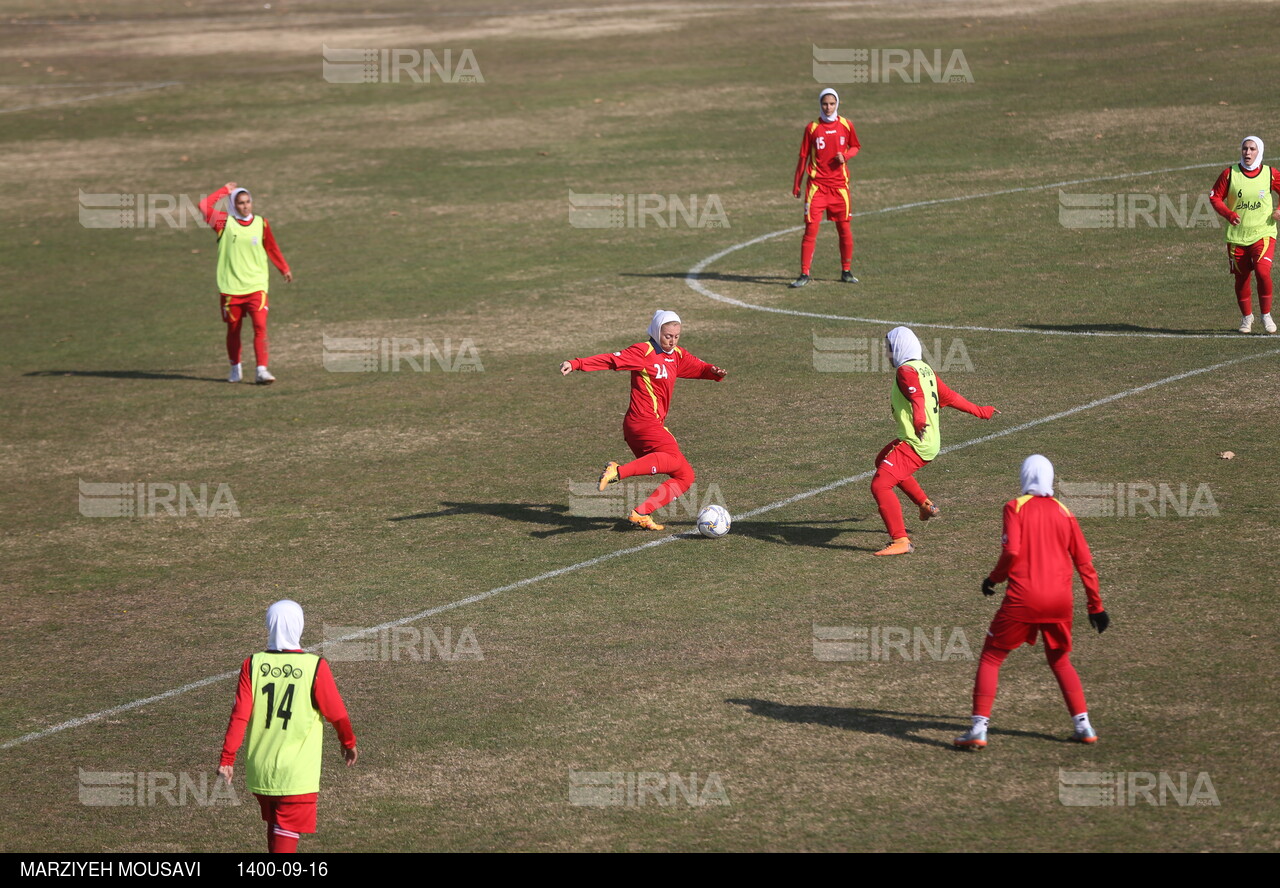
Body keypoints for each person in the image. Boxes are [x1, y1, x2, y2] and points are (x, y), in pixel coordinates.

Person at [954, 455, 1109, 749]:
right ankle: (1084, 726)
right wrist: (1096, 607)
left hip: (1023, 599)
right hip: (1060, 602)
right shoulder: (1065, 511)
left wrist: (993, 579)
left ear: (1024, 476)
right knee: (1060, 660)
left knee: (992, 657)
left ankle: (978, 728)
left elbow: (1011, 551)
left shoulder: (1015, 507)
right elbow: (1085, 563)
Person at [560, 310, 727, 531]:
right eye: (668, 335)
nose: (672, 340)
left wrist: (712, 371)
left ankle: (642, 513)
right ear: (657, 331)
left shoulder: (676, 355)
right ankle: (617, 471)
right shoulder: (643, 351)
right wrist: (577, 363)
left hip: (651, 426)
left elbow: (697, 366)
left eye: (676, 336)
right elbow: (612, 359)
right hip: (643, 423)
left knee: (685, 476)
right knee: (675, 459)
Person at [219, 600, 357, 853]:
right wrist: (348, 743)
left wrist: (227, 758)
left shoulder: (252, 664)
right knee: (286, 831)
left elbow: (239, 716)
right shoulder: (314, 666)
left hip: (261, 769)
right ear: (300, 626)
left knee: (276, 827)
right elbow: (337, 714)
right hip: (295, 773)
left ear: (269, 625)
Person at [870, 326, 998, 556]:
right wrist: (980, 411)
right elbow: (949, 396)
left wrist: (919, 420)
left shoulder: (906, 371)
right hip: (928, 441)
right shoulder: (924, 369)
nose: (887, 354)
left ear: (899, 348)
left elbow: (917, 397)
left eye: (888, 349)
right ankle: (926, 505)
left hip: (916, 441)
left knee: (880, 485)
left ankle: (900, 540)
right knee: (883, 461)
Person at [199, 182, 293, 384]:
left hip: (256, 286)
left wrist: (283, 268)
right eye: (241, 203)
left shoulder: (261, 223)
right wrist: (225, 191)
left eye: (248, 201)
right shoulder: (223, 223)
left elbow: (272, 247)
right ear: (234, 205)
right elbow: (203, 206)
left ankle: (261, 370)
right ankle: (235, 368)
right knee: (234, 330)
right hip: (231, 288)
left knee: (260, 326)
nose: (246, 206)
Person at [790, 88, 860, 288]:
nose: (828, 107)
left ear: (837, 103)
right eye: (824, 104)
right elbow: (803, 157)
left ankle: (846, 271)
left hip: (839, 188)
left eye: (831, 103)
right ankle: (804, 274)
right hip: (817, 188)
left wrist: (845, 157)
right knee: (810, 229)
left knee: (844, 228)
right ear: (820, 104)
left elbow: (856, 146)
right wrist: (797, 183)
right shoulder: (812, 128)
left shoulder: (847, 125)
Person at [1208, 136, 1280, 334]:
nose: (1247, 153)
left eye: (1252, 149)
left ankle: (1266, 315)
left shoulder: (1269, 174)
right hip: (1236, 237)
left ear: (1260, 152)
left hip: (1263, 232)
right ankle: (1247, 318)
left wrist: (1279, 210)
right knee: (1241, 278)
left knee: (1263, 271)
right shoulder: (1230, 173)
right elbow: (1214, 197)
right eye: (1245, 149)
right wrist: (1229, 214)